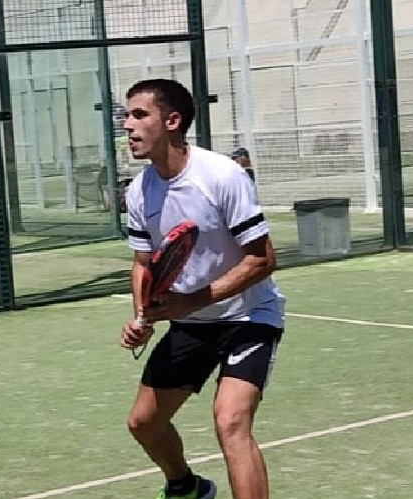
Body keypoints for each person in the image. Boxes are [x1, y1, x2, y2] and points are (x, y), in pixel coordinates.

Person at [120, 78, 285, 499]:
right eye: (126, 115)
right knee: (144, 423)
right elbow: (143, 263)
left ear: (172, 121)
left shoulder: (222, 176)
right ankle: (186, 487)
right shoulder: (138, 191)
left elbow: (263, 259)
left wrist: (189, 302)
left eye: (139, 114)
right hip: (191, 324)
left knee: (231, 421)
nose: (127, 125)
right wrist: (143, 316)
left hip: (249, 318)